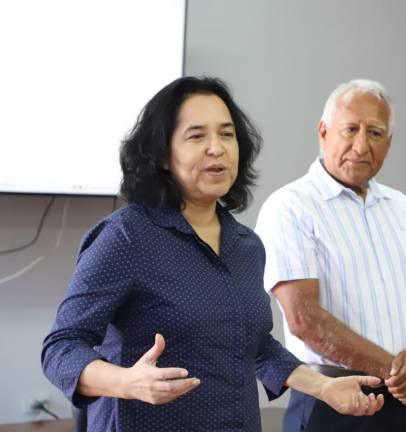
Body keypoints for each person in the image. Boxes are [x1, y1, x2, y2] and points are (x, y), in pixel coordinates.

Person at [41, 76, 384, 432]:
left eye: (226, 134)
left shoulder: (246, 245)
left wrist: (323, 386)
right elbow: (61, 348)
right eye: (196, 136)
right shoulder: (126, 237)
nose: (217, 148)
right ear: (161, 156)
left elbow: (255, 347)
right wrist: (126, 382)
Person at [255, 79, 406, 432]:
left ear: (388, 143)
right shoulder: (290, 207)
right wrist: (396, 371)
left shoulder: (405, 209)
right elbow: (303, 318)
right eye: (351, 130)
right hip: (331, 399)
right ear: (323, 132)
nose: (361, 145)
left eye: (375, 133)